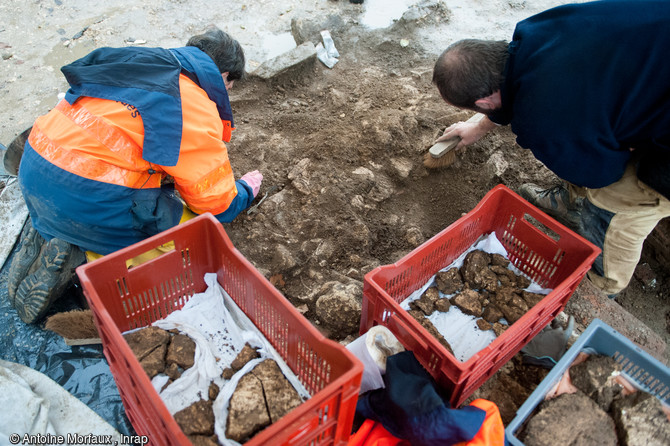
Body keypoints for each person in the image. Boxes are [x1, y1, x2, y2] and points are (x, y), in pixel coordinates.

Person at [7, 27, 263, 324]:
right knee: (188, 230)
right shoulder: (190, 103)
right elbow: (215, 203)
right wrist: (244, 191)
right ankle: (87, 255)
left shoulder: (140, 62)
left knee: (115, 190)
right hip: (84, 195)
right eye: (230, 87)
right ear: (224, 76)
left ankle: (48, 231)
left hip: (33, 166)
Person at [431, 0, 670, 298]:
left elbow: (601, 173)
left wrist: (621, 142)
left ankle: (599, 287)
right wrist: (477, 127)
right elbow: (513, 89)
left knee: (615, 197)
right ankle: (572, 205)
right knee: (582, 140)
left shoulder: (542, 116)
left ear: (483, 101)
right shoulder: (536, 31)